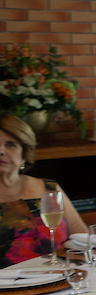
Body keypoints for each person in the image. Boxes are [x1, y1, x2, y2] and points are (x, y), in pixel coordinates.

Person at [0, 114, 86, 267]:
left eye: (10, 144)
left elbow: (82, 237)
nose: (1, 151)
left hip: (59, 276)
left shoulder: (49, 189)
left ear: (24, 155)